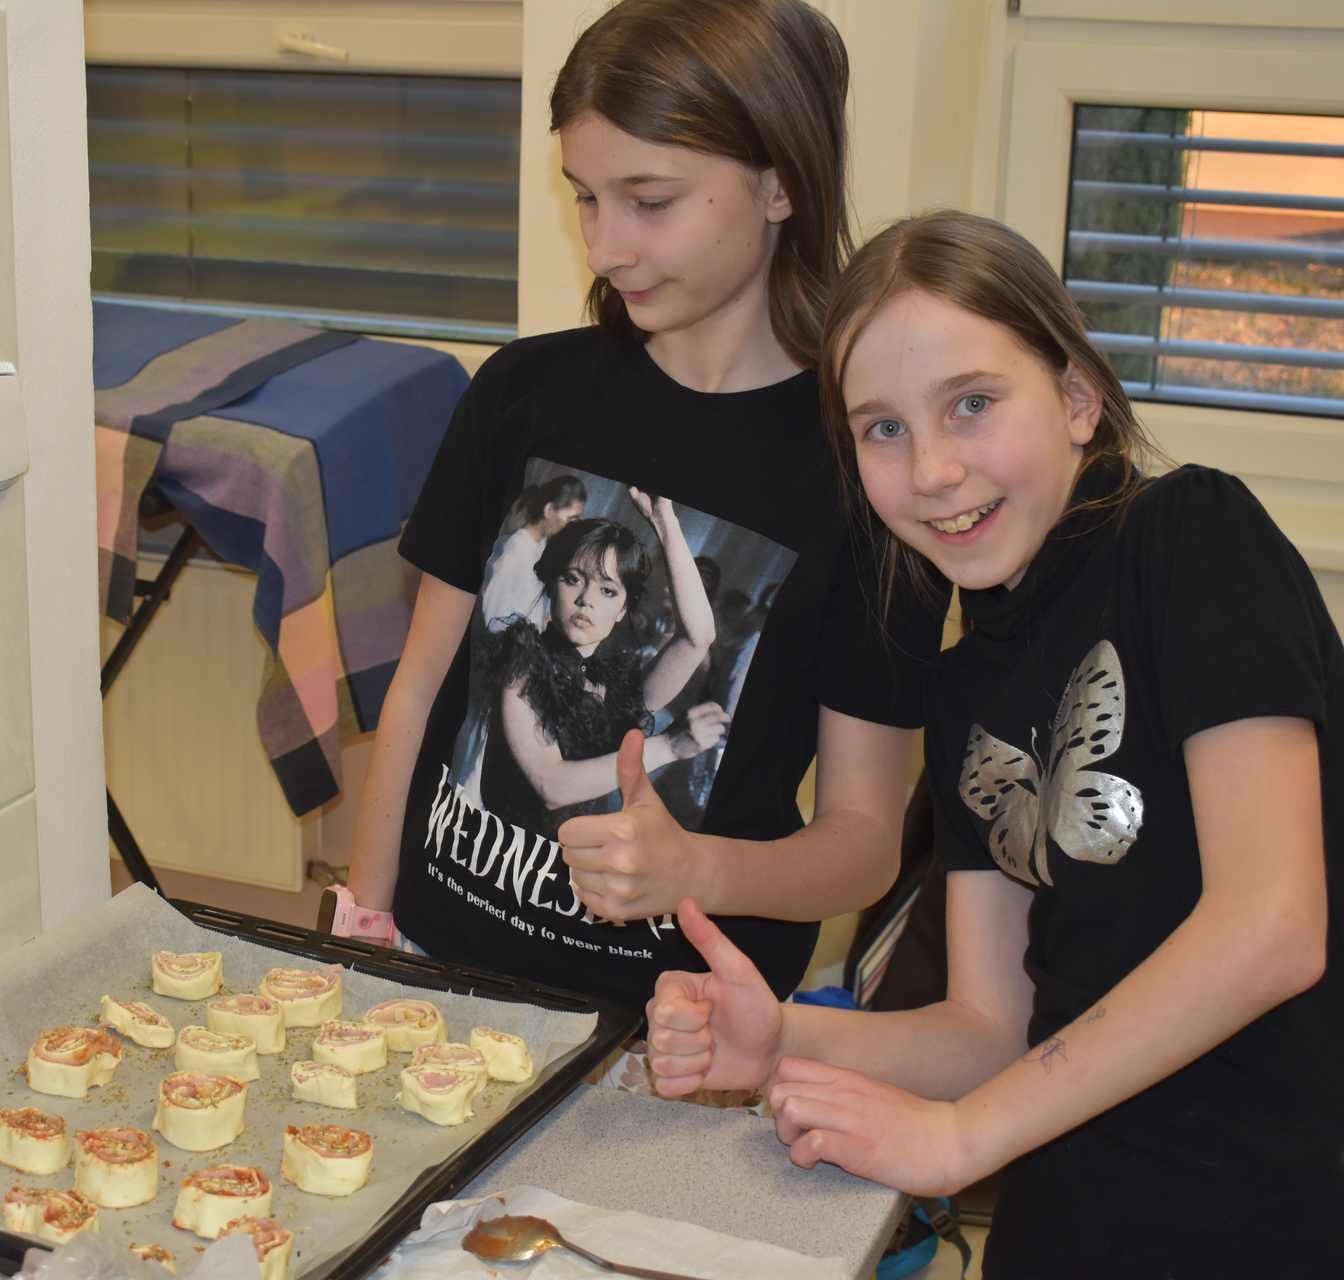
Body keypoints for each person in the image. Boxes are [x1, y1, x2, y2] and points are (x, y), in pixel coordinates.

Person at [645, 210, 1344, 1276]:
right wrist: (784, 1033)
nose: (932, 469)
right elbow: (991, 1028)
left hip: (1290, 1232)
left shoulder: (1193, 537)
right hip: (1069, 1230)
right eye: (882, 429)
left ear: (1076, 396)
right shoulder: (964, 679)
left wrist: (958, 1138)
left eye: (971, 404)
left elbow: (1273, 926)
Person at [336, 0, 942, 1009]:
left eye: (649, 201)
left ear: (781, 183)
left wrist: (700, 868)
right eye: (585, 198)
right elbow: (418, 691)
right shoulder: (520, 394)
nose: (604, 248)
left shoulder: (869, 475)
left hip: (674, 1029)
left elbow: (867, 843)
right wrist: (367, 927)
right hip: (435, 978)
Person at [479, 498, 727, 834]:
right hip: (497, 855)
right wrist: (668, 746)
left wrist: (665, 522)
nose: (587, 600)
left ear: (623, 609)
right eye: (573, 579)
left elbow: (698, 638)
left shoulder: (613, 685)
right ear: (553, 583)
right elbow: (552, 786)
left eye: (608, 590)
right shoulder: (521, 660)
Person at [480, 474, 587, 631]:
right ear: (549, 510)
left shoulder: (541, 545)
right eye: (570, 519)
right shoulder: (517, 550)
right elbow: (494, 613)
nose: (571, 526)